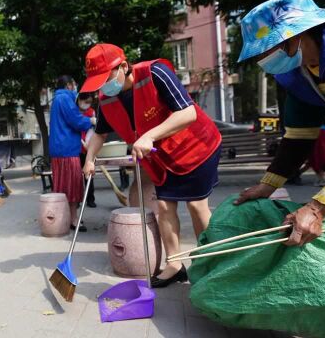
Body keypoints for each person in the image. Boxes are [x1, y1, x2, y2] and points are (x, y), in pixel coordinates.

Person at [80, 43, 222, 288]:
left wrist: (149, 136)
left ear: (124, 66)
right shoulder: (106, 98)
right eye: (99, 82)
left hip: (196, 147)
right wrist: (90, 158)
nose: (104, 86)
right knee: (165, 208)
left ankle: (211, 263)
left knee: (197, 205)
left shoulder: (154, 73)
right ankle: (175, 265)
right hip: (161, 159)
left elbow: (188, 113)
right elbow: (100, 134)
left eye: (107, 78)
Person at [234, 0, 325, 246]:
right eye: (259, 55)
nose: (264, 59)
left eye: (267, 50)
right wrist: (268, 185)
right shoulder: (299, 75)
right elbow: (297, 137)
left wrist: (317, 209)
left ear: (298, 35)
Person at [48, 75, 95, 232]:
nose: (75, 87)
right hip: (67, 150)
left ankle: (64, 218)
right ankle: (73, 220)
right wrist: (90, 121)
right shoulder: (65, 99)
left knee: (61, 187)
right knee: (72, 186)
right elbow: (75, 120)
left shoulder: (57, 99)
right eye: (74, 84)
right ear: (69, 85)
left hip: (58, 149)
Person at [78, 92, 97, 208]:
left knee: (89, 175)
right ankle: (78, 200)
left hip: (88, 148)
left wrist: (89, 144)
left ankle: (90, 199)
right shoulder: (73, 111)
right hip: (76, 148)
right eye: (85, 101)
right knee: (77, 176)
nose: (87, 104)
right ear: (80, 100)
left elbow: (93, 130)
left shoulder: (91, 112)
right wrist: (80, 141)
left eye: (89, 102)